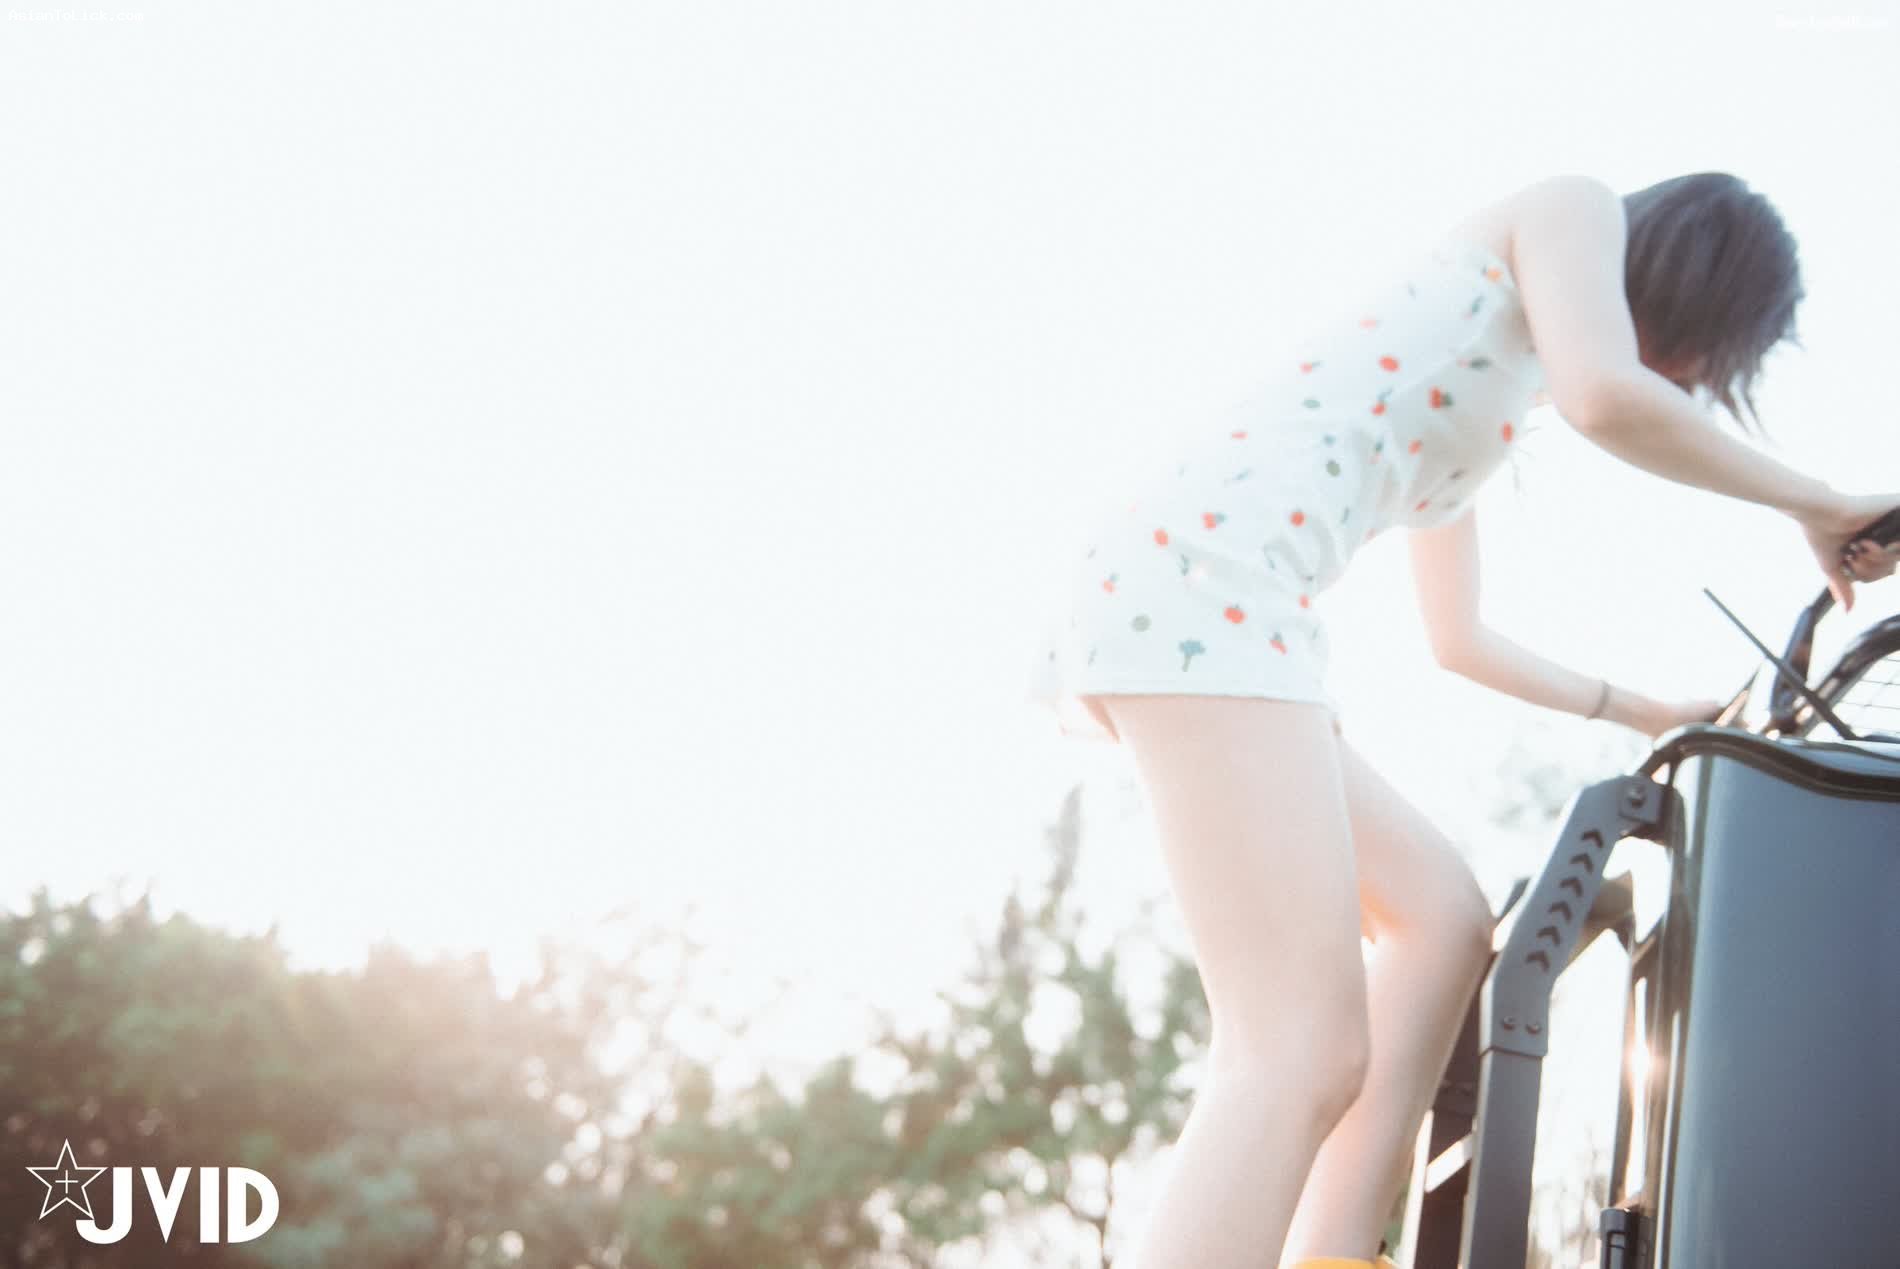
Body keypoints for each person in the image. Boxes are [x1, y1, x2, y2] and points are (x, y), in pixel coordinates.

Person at [1023, 171, 1900, 1269]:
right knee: (1293, 1048)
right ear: (1695, 279)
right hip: (1208, 588)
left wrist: (1644, 709)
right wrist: (1819, 502)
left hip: (1229, 608)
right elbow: (1607, 395)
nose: (1691, 382)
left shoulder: (1481, 403)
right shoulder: (1572, 207)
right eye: (1711, 354)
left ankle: (1332, 1252)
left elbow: (1459, 640)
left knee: (1439, 918)